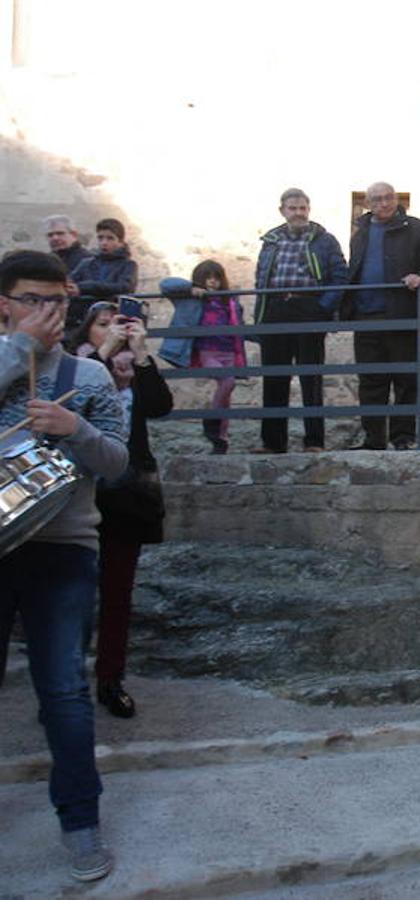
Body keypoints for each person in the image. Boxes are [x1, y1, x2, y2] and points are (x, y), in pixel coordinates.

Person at [0, 250, 129, 882]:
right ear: (4, 302)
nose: (49, 313)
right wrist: (14, 349)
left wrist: (74, 425)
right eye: (33, 300)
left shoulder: (88, 374)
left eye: (58, 302)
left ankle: (81, 824)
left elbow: (116, 463)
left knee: (64, 694)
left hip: (64, 547)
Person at [73, 302, 173, 718]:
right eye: (104, 325)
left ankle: (110, 680)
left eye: (124, 325)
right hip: (78, 496)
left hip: (125, 497)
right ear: (87, 333)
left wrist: (144, 355)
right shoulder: (75, 367)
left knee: (117, 595)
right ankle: (66, 682)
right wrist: (102, 354)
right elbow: (75, 407)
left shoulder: (135, 372)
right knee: (72, 596)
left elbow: (160, 406)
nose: (115, 331)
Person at [345, 182, 420, 450]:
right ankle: (373, 439)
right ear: (368, 203)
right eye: (377, 199)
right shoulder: (361, 233)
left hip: (403, 313)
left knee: (405, 379)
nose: (383, 203)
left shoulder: (417, 228)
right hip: (366, 316)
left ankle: (403, 438)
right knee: (370, 380)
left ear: (397, 200)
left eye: (388, 198)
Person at [252, 188, 348, 453]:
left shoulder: (325, 240)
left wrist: (322, 308)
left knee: (311, 377)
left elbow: (340, 277)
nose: (298, 213)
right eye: (292, 208)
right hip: (275, 309)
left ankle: (314, 441)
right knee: (274, 378)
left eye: (302, 208)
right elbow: (261, 276)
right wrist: (260, 314)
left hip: (308, 308)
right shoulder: (270, 241)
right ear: (282, 210)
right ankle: (272, 443)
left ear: (309, 209)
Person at [159, 261, 246, 453]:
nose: (212, 282)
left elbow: (240, 325)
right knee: (228, 382)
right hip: (208, 350)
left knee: (226, 398)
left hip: (229, 350)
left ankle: (220, 440)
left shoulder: (229, 300)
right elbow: (166, 284)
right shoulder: (190, 297)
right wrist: (191, 288)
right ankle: (211, 421)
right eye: (208, 277)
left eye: (216, 277)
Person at [67, 218, 139, 334]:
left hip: (113, 321)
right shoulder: (86, 263)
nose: (104, 242)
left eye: (110, 238)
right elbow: (70, 282)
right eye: (100, 238)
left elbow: (124, 287)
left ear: (120, 241)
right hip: (83, 319)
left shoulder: (128, 265)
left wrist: (84, 288)